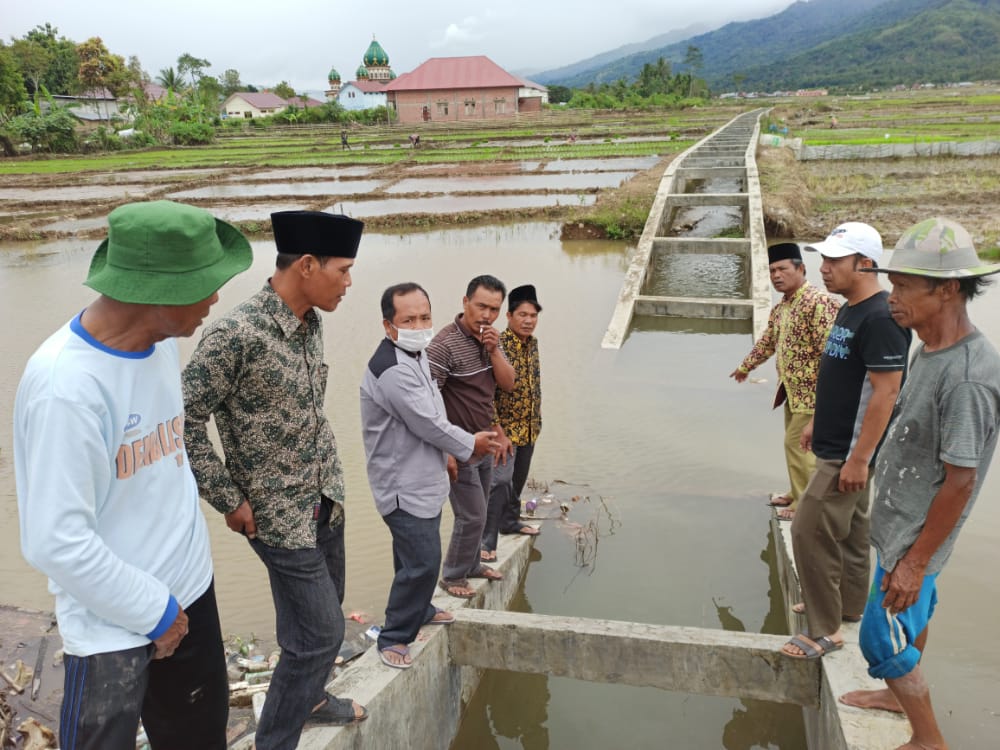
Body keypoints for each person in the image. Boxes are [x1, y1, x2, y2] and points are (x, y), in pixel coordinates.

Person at [14, 200, 252, 750]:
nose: (215, 298)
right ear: (159, 294)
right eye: (206, 284)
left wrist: (182, 599)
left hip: (191, 592)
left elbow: (165, 470)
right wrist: (154, 611)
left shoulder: (159, 347)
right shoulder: (66, 389)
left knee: (199, 738)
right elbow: (56, 541)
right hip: (113, 623)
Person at [183, 210, 368, 749]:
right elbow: (182, 420)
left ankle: (312, 696)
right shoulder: (233, 335)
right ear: (307, 265)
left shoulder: (312, 323)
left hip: (324, 497)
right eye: (344, 270)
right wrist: (227, 497)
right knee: (322, 634)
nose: (349, 283)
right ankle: (276, 741)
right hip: (274, 514)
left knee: (318, 616)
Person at [838, 218, 1000, 750]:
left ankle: (929, 740)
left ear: (949, 289)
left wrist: (914, 562)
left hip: (915, 536)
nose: (892, 298)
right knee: (913, 617)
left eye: (905, 287)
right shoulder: (928, 347)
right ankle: (894, 696)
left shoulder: (970, 376)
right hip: (900, 524)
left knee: (880, 636)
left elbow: (961, 481)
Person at [781, 222, 911, 660]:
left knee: (808, 529)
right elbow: (843, 374)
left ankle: (825, 629)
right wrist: (817, 418)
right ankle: (849, 608)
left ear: (866, 263)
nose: (825, 268)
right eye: (824, 259)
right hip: (836, 445)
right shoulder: (850, 308)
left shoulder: (879, 318)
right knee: (853, 535)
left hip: (848, 455)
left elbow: (886, 391)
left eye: (836, 260)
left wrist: (859, 458)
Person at [360, 283, 500, 668]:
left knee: (411, 559)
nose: (419, 325)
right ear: (389, 325)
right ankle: (394, 636)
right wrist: (471, 444)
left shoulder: (414, 353)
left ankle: (419, 608)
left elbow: (434, 412)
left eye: (424, 317)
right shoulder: (392, 370)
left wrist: (452, 453)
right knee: (422, 561)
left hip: (424, 479)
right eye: (409, 319)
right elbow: (428, 423)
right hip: (403, 485)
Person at [731, 243, 840, 521]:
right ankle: (796, 491)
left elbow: (833, 355)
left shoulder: (818, 302)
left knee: (798, 446)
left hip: (814, 395)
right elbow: (769, 341)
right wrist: (746, 367)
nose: (776, 275)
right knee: (795, 446)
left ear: (801, 269)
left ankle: (805, 505)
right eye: (771, 271)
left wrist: (827, 400)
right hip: (792, 392)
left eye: (782, 269)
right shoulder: (784, 306)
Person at [427, 275, 516, 598]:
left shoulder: (493, 339)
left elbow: (506, 385)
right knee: (472, 514)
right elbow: (428, 403)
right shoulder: (443, 345)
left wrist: (493, 351)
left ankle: (473, 564)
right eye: (481, 306)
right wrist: (445, 450)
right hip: (460, 446)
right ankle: (452, 576)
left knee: (482, 507)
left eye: (494, 309)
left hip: (486, 444)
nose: (487, 315)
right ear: (465, 302)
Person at [481, 284, 544, 562]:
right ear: (508, 316)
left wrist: (536, 420)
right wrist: (497, 429)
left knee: (516, 482)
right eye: (522, 315)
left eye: (533, 315)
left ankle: (510, 521)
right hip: (504, 431)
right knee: (499, 483)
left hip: (529, 427)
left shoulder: (533, 344)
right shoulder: (498, 345)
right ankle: (485, 540)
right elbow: (486, 393)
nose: (529, 320)